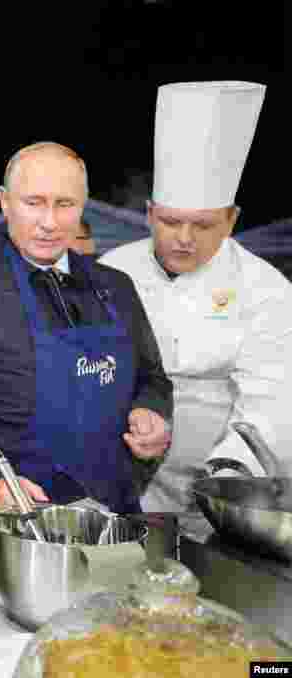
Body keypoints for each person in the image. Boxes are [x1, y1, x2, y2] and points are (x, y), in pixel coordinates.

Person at [0, 142, 173, 515]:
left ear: (82, 205)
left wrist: (152, 411)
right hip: (21, 527)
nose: (49, 222)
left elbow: (154, 378)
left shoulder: (116, 288)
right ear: (4, 202)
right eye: (33, 202)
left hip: (117, 517)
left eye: (65, 204)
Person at [100, 81, 291, 513]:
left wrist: (228, 482)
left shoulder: (267, 290)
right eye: (169, 221)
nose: (183, 239)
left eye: (203, 226)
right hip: (118, 481)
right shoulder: (114, 270)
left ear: (231, 219)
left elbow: (273, 404)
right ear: (149, 213)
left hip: (219, 492)